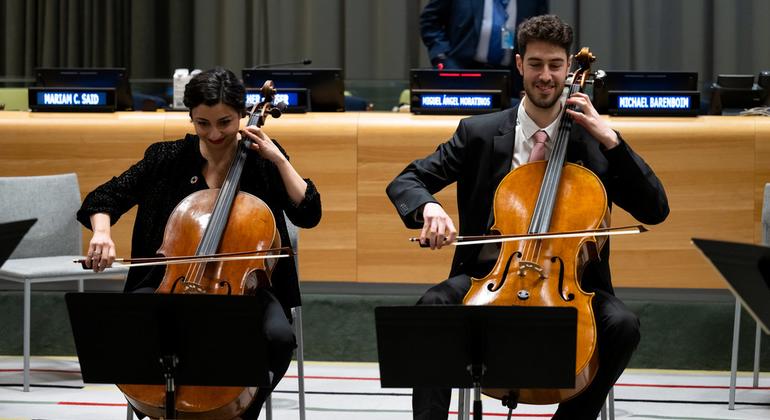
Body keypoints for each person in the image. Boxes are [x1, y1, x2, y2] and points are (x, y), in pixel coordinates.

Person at [388, 14, 669, 420]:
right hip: (489, 277)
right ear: (519, 64)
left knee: (622, 325)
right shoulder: (479, 133)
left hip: (571, 288)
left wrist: (610, 139)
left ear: (570, 67)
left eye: (556, 65)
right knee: (432, 307)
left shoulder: (594, 144)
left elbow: (655, 209)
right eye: (536, 64)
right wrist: (429, 207)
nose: (546, 76)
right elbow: (407, 180)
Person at [76, 67, 322, 419]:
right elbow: (104, 198)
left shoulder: (262, 157)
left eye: (225, 122)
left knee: (279, 339)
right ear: (191, 117)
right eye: (202, 123)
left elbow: (308, 213)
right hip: (169, 282)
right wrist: (101, 232)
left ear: (242, 114)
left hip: (243, 289)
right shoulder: (166, 157)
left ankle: (241, 410)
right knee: (134, 335)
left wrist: (278, 160)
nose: (215, 133)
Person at [420, 0, 549, 97]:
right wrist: (442, 57)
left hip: (512, 81)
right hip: (462, 72)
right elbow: (430, 21)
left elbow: (541, 34)